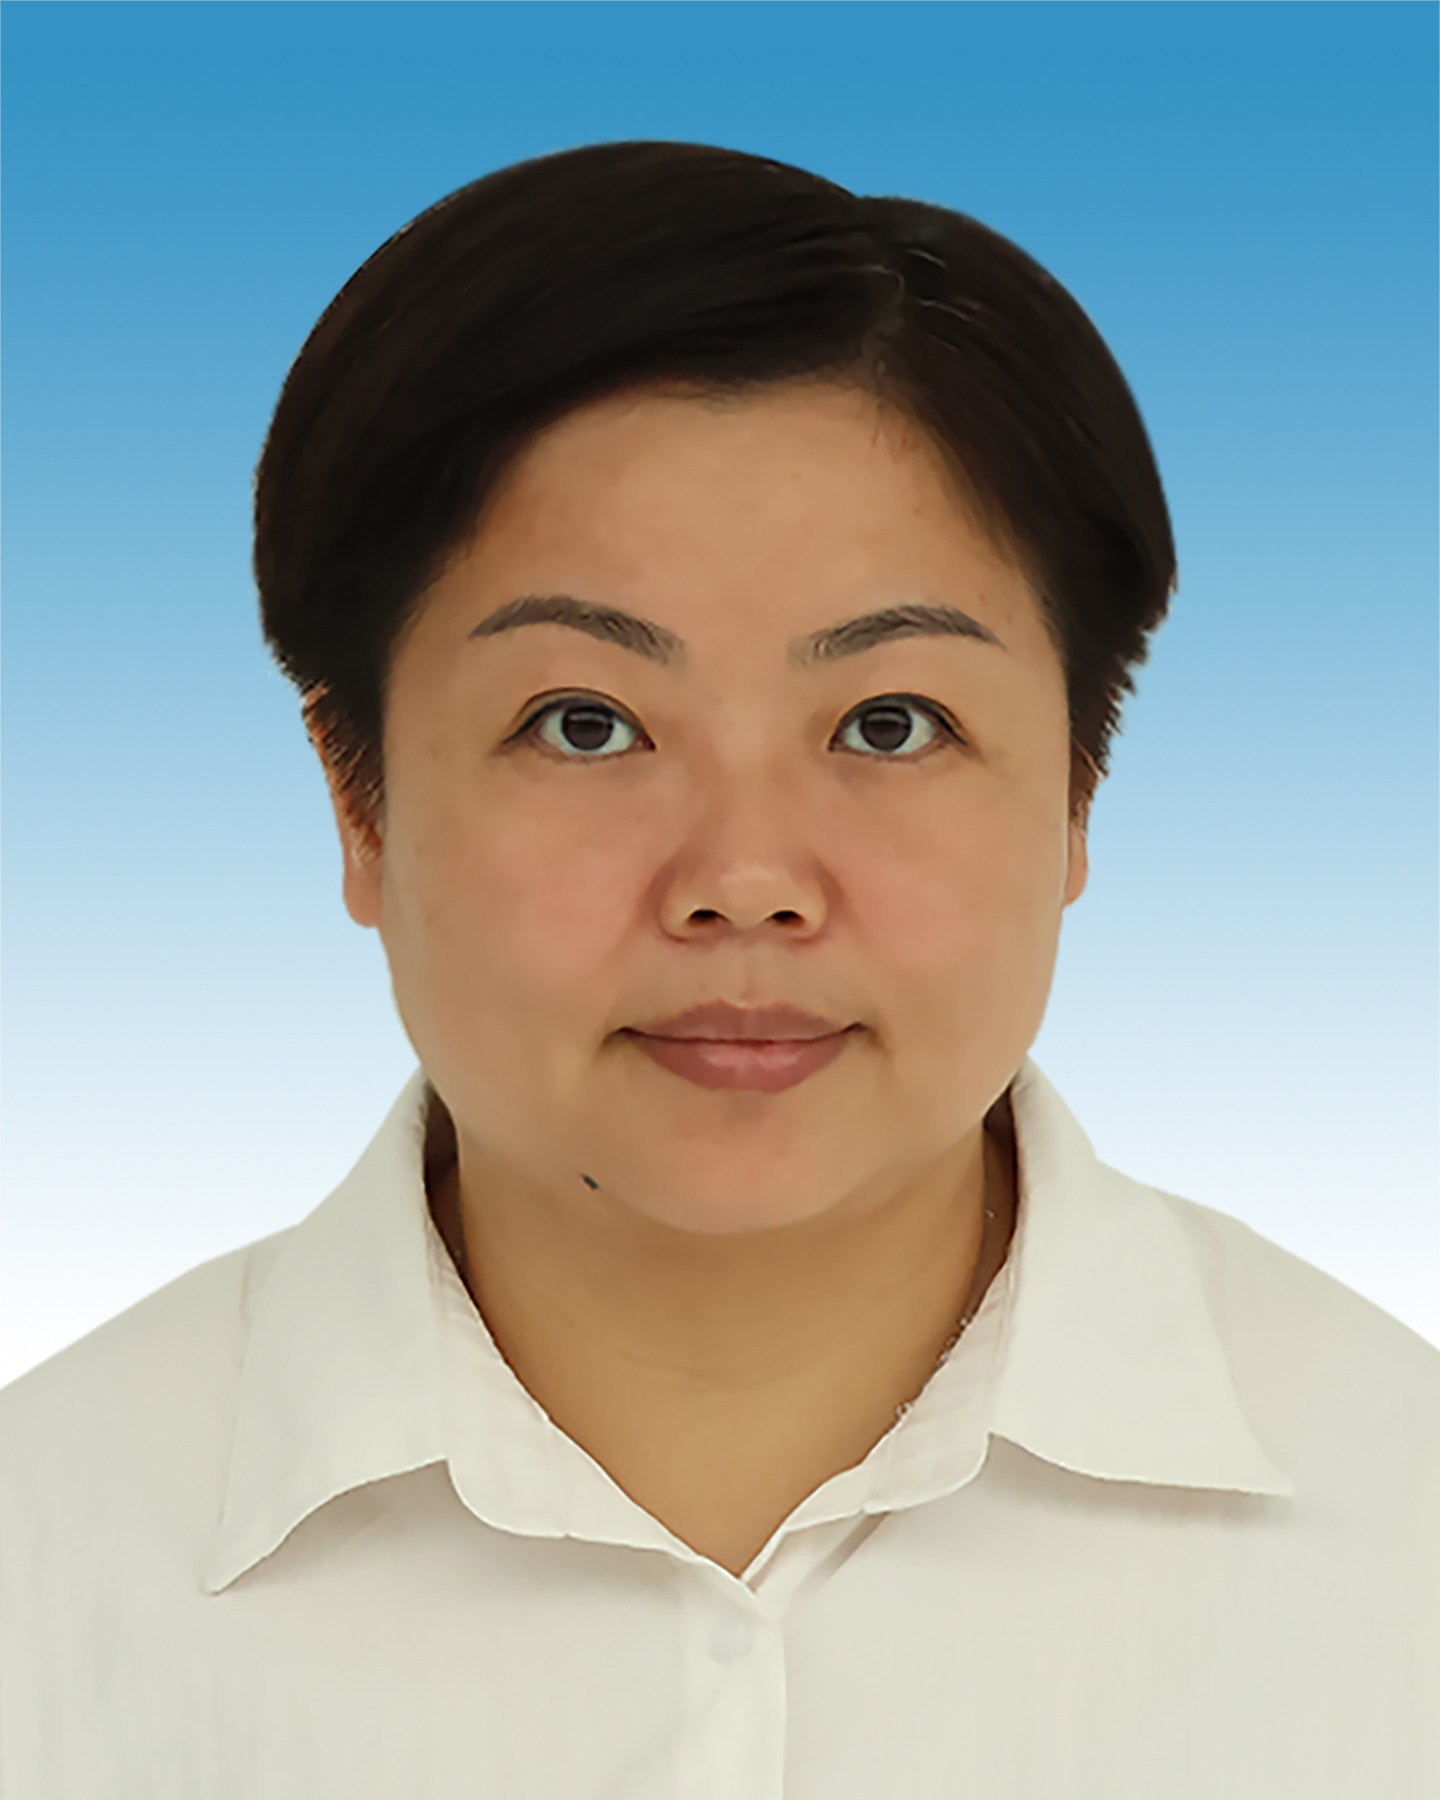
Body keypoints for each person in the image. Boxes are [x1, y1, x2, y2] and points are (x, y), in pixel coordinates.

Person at [2, 139, 1435, 1799]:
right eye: (585, 724)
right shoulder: (50, 1570)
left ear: (1077, 795)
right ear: (358, 797)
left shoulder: (1402, 1541)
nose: (745, 882)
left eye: (889, 724)